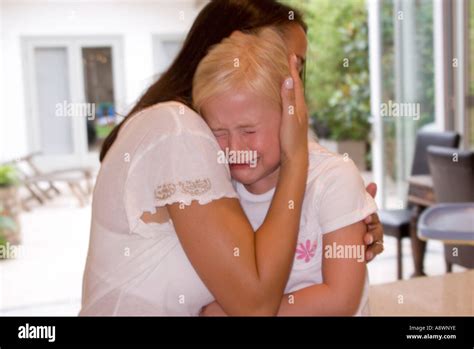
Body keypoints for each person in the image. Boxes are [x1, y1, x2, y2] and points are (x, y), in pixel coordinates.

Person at [80, 0, 383, 316]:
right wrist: (297, 162)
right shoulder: (178, 130)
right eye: (287, 65)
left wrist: (345, 221)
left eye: (299, 68)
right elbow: (256, 305)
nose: (294, 85)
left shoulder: (220, 149)